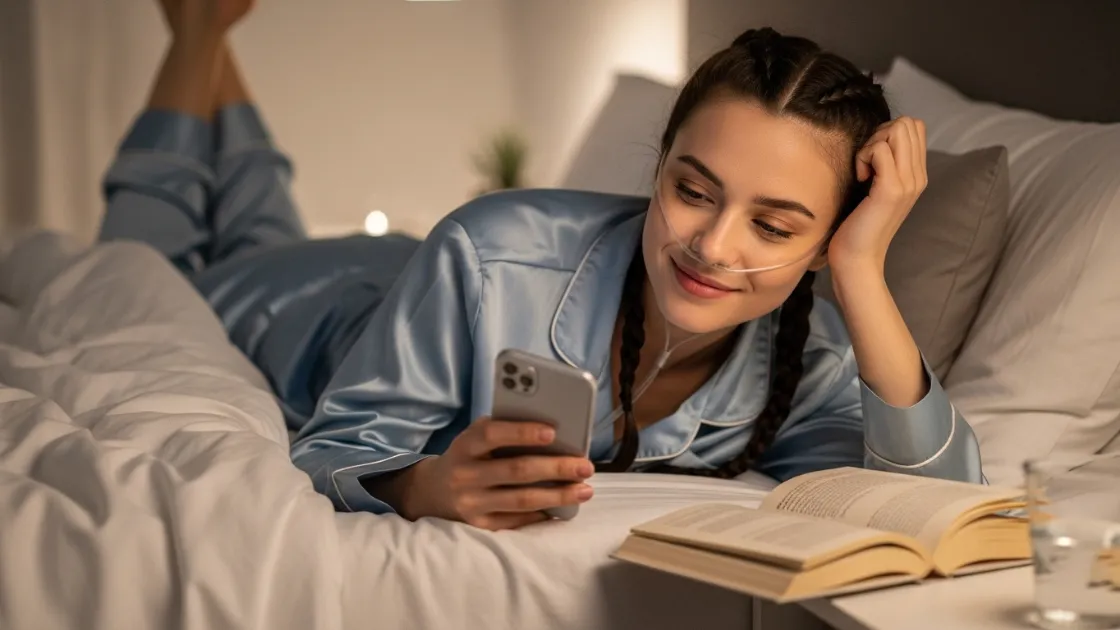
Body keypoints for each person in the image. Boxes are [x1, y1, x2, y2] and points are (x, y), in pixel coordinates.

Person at [101, 0, 985, 531]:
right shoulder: (491, 246)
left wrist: (863, 268)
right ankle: (194, 37)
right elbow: (337, 445)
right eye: (694, 190)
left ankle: (208, 34)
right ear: (660, 163)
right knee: (152, 258)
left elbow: (937, 506)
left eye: (776, 225)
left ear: (826, 237)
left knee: (257, 209)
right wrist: (422, 482)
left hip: (400, 279)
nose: (714, 248)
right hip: (316, 307)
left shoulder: (812, 353)